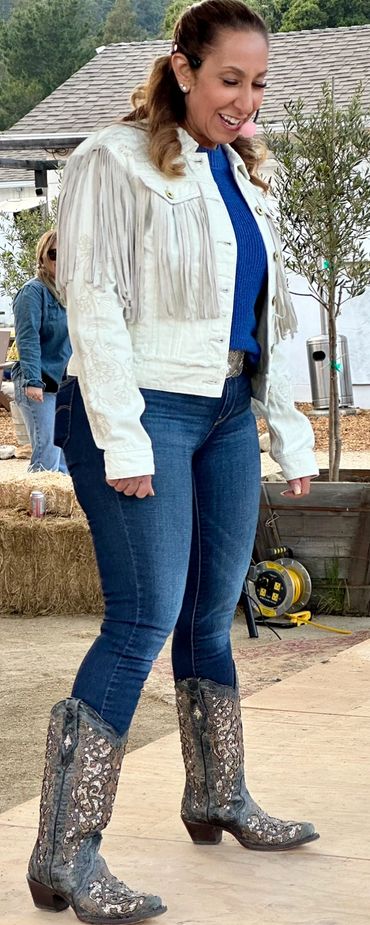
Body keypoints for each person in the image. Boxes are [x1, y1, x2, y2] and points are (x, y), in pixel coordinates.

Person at [27, 2, 320, 922]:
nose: (245, 99)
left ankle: (217, 794)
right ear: (185, 68)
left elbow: (268, 320)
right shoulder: (108, 160)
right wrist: (121, 433)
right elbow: (95, 299)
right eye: (230, 78)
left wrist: (291, 432)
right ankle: (64, 852)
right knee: (143, 616)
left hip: (228, 411)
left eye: (259, 82)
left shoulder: (246, 172)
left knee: (209, 613)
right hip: (144, 407)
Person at [11, 230, 71, 473]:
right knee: (48, 453)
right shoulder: (32, 292)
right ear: (42, 257)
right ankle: (40, 508)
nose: (60, 259)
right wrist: (33, 381)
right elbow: (28, 339)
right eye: (54, 253)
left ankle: (60, 510)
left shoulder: (69, 294)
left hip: (65, 383)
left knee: (67, 454)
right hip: (39, 382)